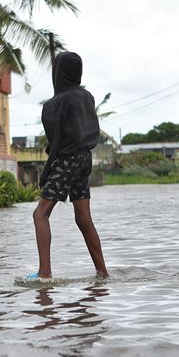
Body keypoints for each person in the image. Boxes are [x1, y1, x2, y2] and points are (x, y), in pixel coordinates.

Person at [29, 51, 108, 281]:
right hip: (85, 159)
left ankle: (44, 273)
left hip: (68, 160)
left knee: (40, 214)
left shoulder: (55, 104)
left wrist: (45, 173)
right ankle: (102, 272)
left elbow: (56, 145)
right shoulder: (88, 97)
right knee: (83, 218)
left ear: (57, 73)